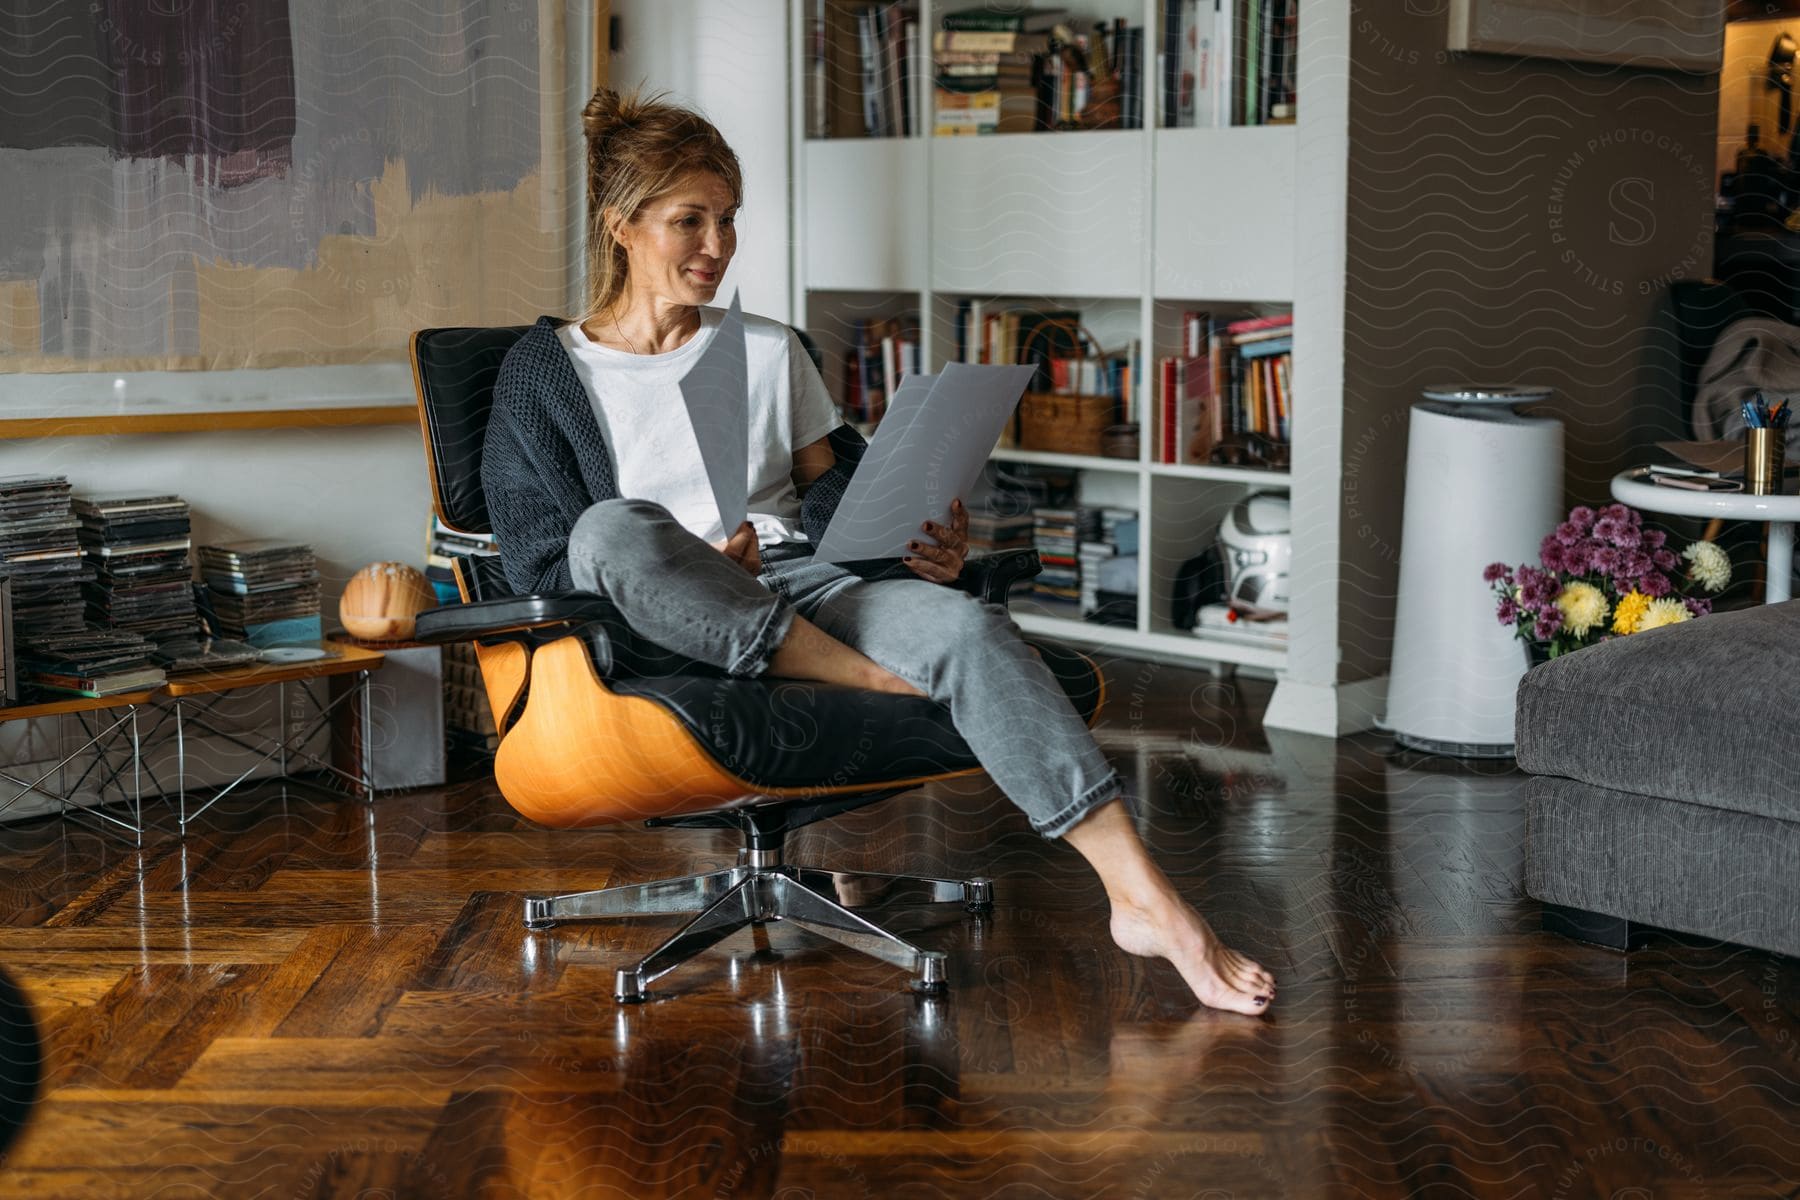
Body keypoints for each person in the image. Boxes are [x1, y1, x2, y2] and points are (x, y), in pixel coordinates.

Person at [482, 88, 1276, 1016]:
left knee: (967, 630)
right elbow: (543, 560)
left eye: (729, 219)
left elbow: (835, 497)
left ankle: (1144, 899)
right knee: (611, 529)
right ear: (622, 226)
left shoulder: (768, 351)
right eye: (687, 221)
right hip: (664, 618)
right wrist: (698, 565)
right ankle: (856, 676)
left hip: (806, 587)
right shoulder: (546, 375)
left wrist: (918, 537)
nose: (718, 245)